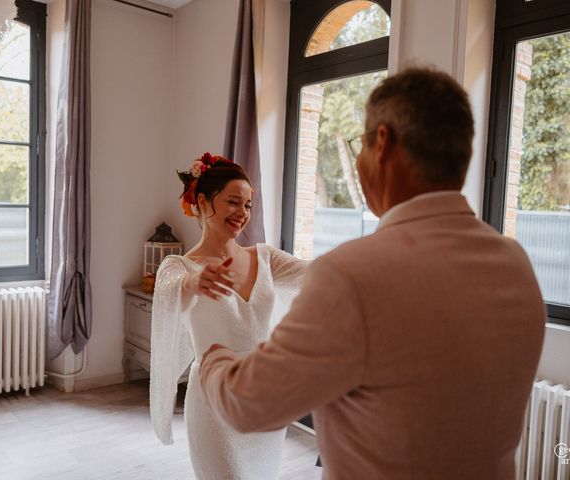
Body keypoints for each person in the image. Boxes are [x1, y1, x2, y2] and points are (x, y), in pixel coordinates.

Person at [198, 68, 547, 479]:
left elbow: (247, 405)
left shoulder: (351, 276)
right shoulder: (516, 265)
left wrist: (213, 357)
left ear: (382, 143)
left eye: (359, 143)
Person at [149, 153, 308, 480]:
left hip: (264, 395)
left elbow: (321, 276)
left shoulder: (266, 258)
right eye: (233, 202)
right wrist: (193, 283)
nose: (243, 213)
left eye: (248, 205)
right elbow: (169, 293)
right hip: (213, 399)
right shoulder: (178, 267)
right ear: (203, 203)